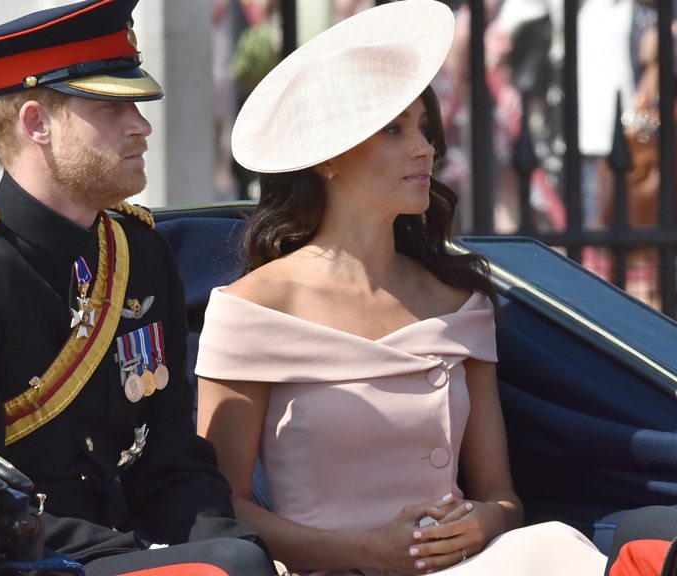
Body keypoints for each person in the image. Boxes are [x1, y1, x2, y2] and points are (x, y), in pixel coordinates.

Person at [194, 1, 608, 574]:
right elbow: (224, 510)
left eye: (423, 128)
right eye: (394, 129)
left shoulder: (458, 301)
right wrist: (366, 552)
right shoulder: (252, 309)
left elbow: (502, 498)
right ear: (328, 157)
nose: (425, 148)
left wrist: (483, 522)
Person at [0, 2, 276, 574]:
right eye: (111, 107)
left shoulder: (137, 251)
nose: (141, 125)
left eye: (136, 104)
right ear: (37, 124)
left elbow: (173, 460)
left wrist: (231, 545)